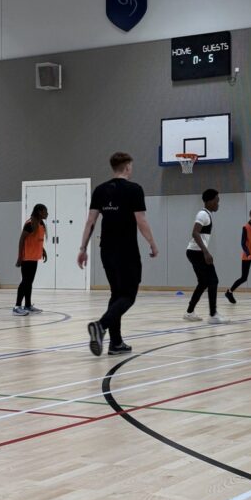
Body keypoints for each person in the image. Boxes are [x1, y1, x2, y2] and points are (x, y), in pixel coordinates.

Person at [77, 152, 159, 356]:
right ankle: (100, 325)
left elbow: (90, 221)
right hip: (127, 251)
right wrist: (152, 243)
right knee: (128, 295)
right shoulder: (134, 189)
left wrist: (82, 249)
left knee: (116, 293)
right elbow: (141, 220)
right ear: (128, 167)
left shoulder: (100, 190)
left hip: (106, 250)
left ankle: (116, 343)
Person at [184, 189, 227, 324]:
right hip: (196, 252)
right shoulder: (203, 215)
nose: (218, 203)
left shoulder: (207, 214)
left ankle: (189, 312)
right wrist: (205, 252)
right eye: (216, 201)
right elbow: (195, 233)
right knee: (213, 280)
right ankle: (213, 315)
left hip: (194, 252)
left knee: (203, 282)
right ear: (209, 201)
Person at [13, 203, 48, 316]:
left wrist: (42, 250)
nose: (47, 213)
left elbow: (37, 239)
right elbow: (21, 240)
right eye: (45, 211)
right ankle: (17, 307)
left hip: (34, 257)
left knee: (29, 282)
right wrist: (19, 257)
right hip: (26, 258)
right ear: (39, 212)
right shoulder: (29, 224)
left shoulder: (41, 223)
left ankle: (27, 305)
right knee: (25, 282)